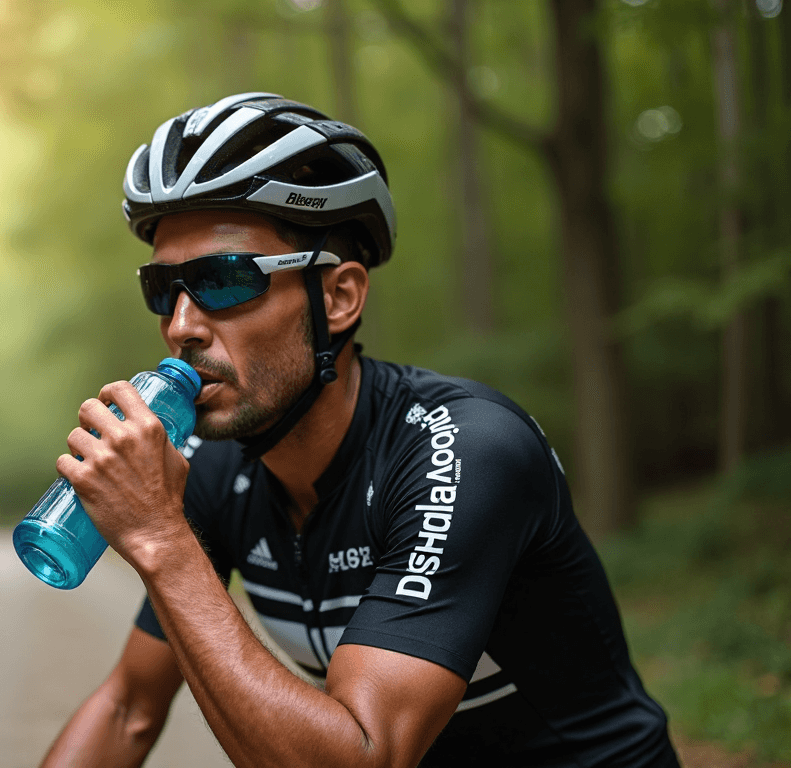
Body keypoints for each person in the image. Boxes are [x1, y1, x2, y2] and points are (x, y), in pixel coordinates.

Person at [39, 93, 679, 768]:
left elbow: (363, 756)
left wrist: (162, 541)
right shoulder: (213, 471)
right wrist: (166, 529)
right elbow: (128, 711)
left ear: (339, 297)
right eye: (163, 288)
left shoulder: (464, 449)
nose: (181, 325)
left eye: (224, 280)